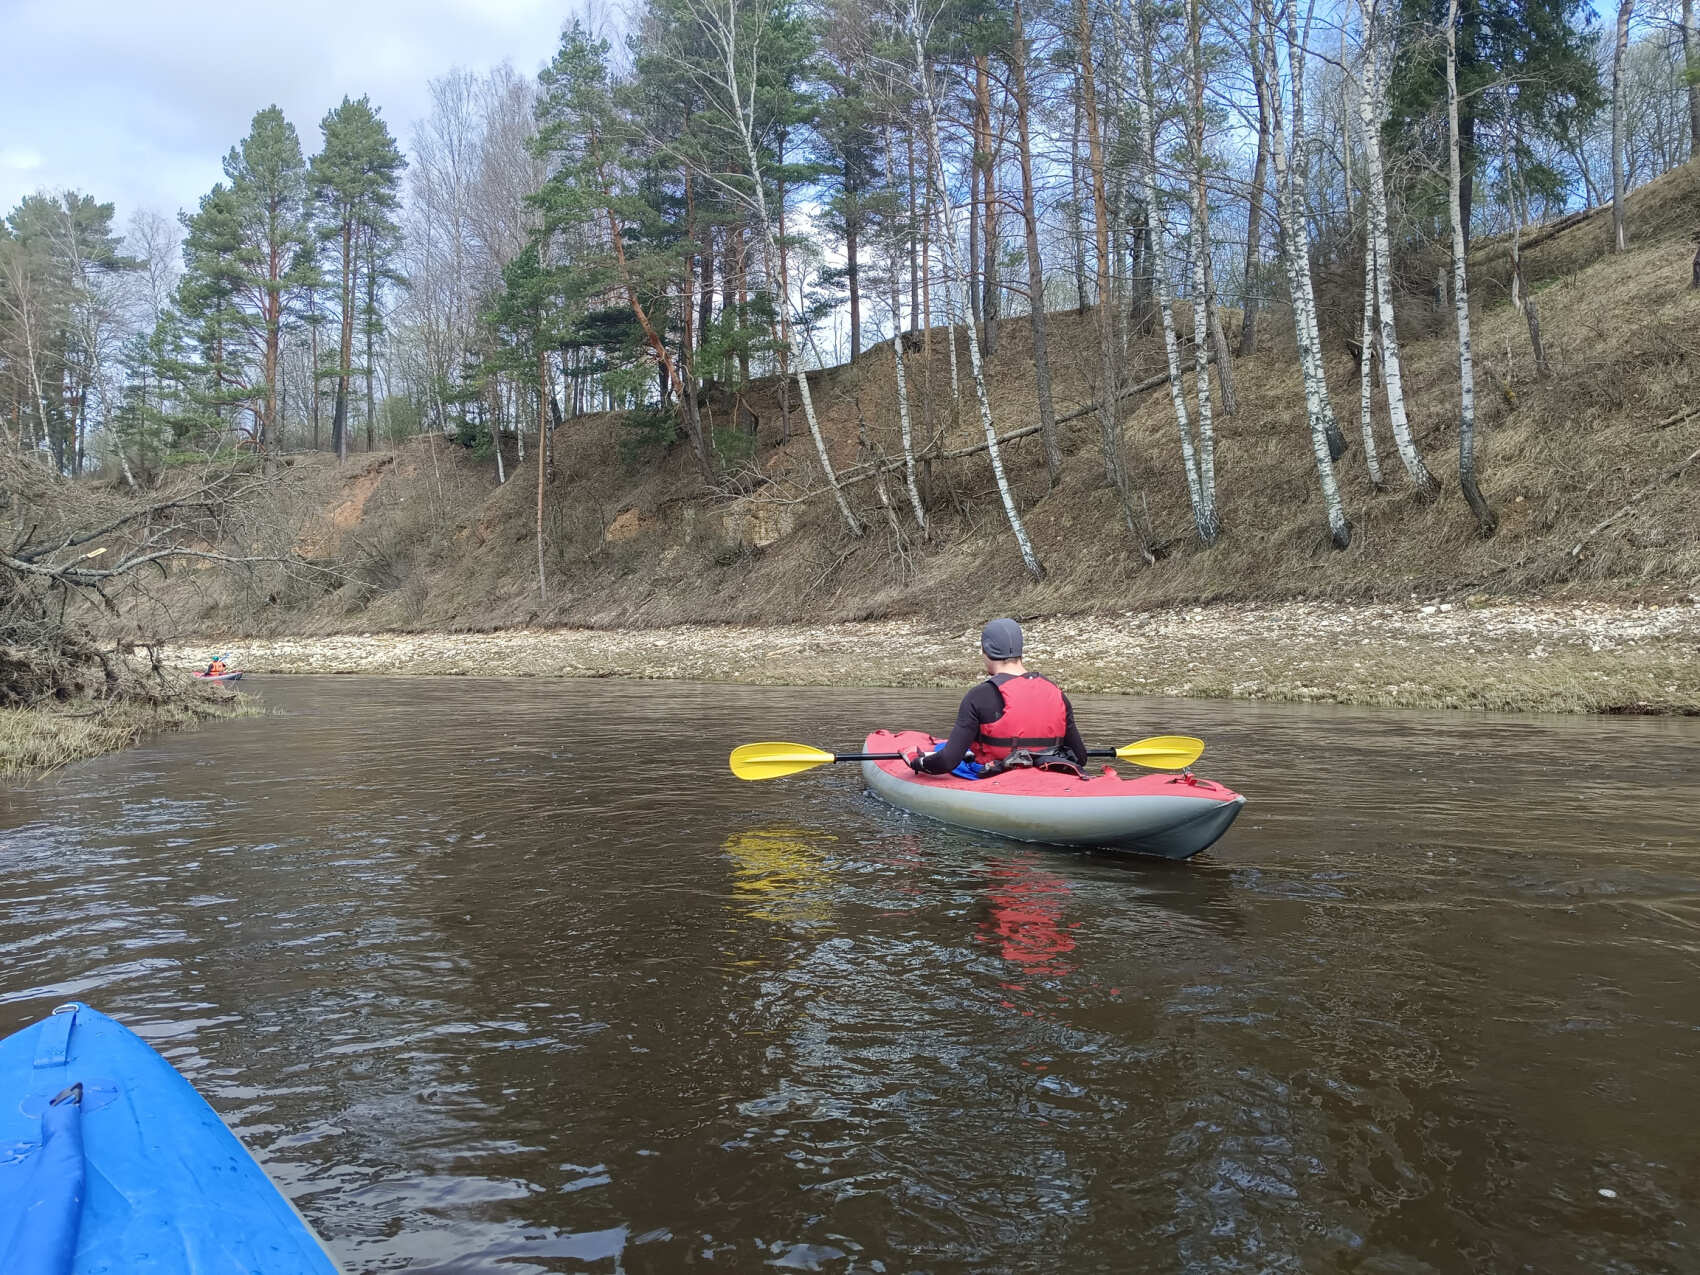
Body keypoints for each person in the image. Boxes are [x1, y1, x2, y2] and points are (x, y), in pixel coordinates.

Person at [903, 618, 1087, 776]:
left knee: (945, 751)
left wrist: (917, 763)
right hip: (1048, 772)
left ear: (987, 651)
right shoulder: (1055, 692)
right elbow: (1080, 757)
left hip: (996, 777)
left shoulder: (979, 696)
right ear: (1020, 651)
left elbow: (947, 761)